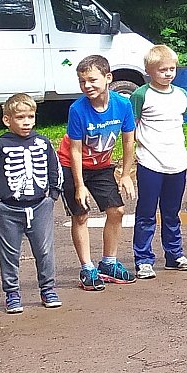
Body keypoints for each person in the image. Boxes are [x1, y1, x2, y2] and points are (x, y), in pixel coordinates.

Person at [0, 93, 64, 310]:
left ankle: (48, 289)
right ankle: (12, 293)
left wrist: (52, 196)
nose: (26, 122)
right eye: (20, 117)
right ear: (7, 120)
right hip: (7, 209)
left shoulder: (43, 142)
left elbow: (55, 169)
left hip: (40, 206)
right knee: (9, 254)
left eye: (30, 116)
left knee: (45, 251)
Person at [62, 53, 138, 287]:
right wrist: (80, 185)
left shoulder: (123, 104)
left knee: (116, 211)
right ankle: (87, 268)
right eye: (82, 81)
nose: (87, 86)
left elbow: (128, 141)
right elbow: (75, 150)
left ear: (108, 78)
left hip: (102, 166)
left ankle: (108, 263)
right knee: (81, 214)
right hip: (72, 165)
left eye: (92, 80)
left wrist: (125, 174)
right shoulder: (77, 109)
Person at [130, 45, 187, 277]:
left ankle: (174, 255)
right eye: (162, 70)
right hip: (150, 162)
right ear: (149, 71)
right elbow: (131, 127)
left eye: (171, 69)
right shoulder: (141, 95)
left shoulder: (181, 95)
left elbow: (179, 122)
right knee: (146, 213)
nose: (168, 74)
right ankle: (143, 259)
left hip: (177, 162)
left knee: (172, 212)